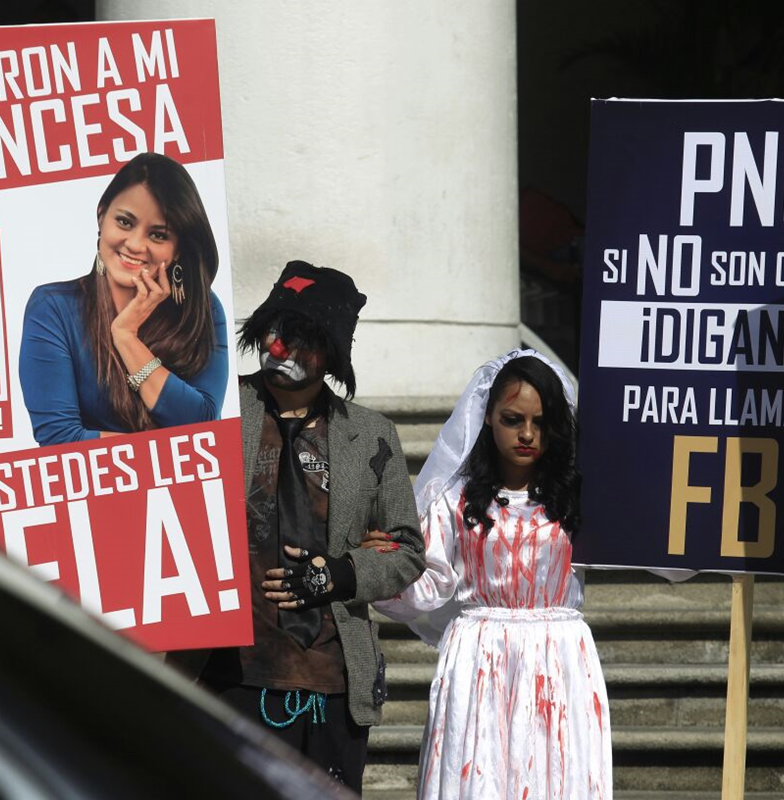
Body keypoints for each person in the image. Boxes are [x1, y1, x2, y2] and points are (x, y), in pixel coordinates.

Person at [169, 261, 425, 793]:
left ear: (331, 351)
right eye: (273, 330)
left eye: (300, 336)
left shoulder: (372, 436)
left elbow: (406, 550)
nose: (279, 348)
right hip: (225, 676)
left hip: (330, 685)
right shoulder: (214, 408)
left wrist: (341, 575)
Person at [370, 350, 612, 799]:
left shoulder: (579, 497)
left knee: (556, 775)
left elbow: (645, 542)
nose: (527, 434)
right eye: (512, 418)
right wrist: (375, 570)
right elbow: (429, 582)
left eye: (540, 422)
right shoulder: (456, 499)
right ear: (486, 418)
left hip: (559, 656)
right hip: (480, 656)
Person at [19, 152, 229, 445]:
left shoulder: (202, 308)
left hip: (184, 489)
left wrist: (126, 337)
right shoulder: (53, 308)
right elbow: (58, 439)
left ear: (178, 249)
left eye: (158, 235)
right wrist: (164, 447)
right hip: (92, 488)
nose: (135, 244)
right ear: (102, 215)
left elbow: (203, 427)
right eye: (125, 222)